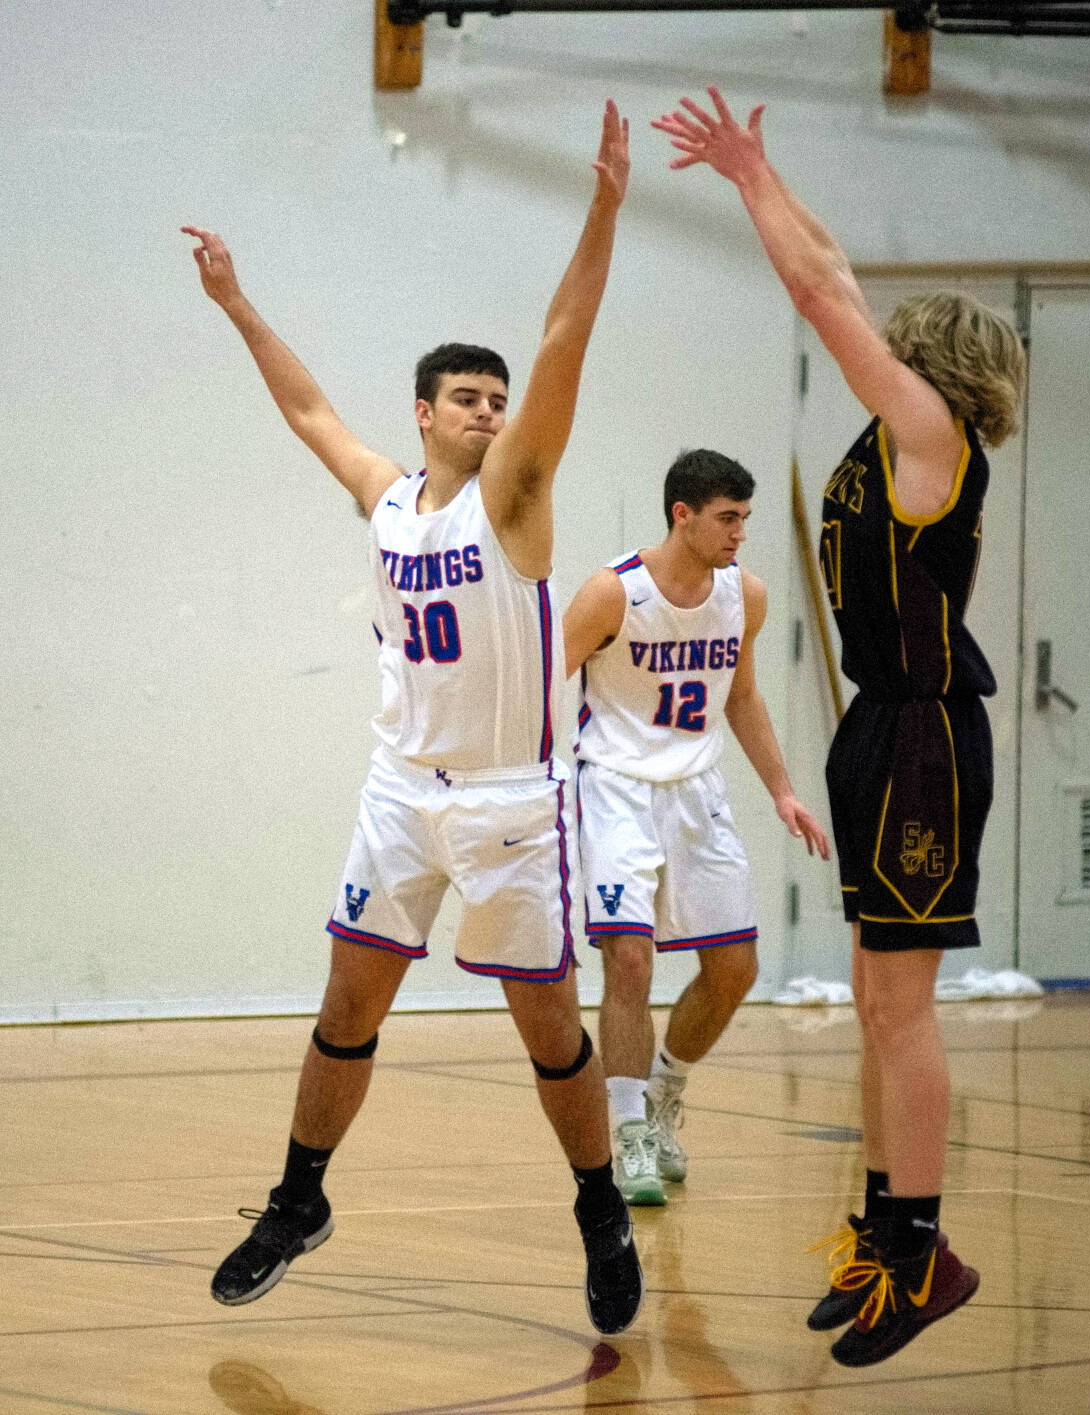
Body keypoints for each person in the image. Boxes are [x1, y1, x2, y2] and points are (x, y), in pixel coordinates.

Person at [181, 100, 644, 1336]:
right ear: (427, 414)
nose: (492, 409)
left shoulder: (517, 502)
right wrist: (236, 305)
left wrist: (603, 206)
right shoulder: (388, 500)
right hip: (401, 790)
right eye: (468, 398)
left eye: (499, 397)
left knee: (549, 1028)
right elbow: (307, 411)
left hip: (506, 801)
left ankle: (598, 1203)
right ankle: (297, 1197)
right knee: (346, 1010)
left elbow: (565, 336)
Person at [654, 89, 1025, 1365]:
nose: (872, 337)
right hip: (878, 730)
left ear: (933, 364)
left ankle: (923, 1251)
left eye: (892, 340)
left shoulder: (932, 436)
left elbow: (820, 295)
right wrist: (773, 185)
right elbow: (835, 271)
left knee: (902, 1008)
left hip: (924, 737)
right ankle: (881, 1233)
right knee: (874, 1002)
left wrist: (749, 173)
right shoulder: (893, 430)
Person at [564, 448, 829, 1206]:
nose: (740, 532)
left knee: (736, 968)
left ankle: (664, 1089)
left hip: (697, 787)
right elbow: (548, 680)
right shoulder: (610, 593)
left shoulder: (745, 594)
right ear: (682, 514)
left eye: (745, 517)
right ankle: (627, 1135)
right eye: (727, 517)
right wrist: (541, 784)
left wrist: (781, 790)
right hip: (615, 785)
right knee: (631, 962)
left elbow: (740, 694)